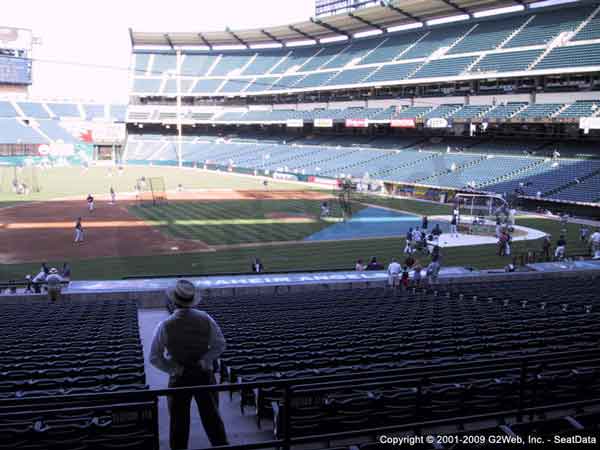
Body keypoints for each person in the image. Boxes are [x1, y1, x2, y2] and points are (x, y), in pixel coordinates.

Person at [150, 280, 229, 449]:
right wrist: (205, 360)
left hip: (179, 380)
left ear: (174, 301)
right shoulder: (205, 318)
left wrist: (175, 369)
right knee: (213, 420)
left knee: (178, 424)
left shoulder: (165, 325)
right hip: (204, 375)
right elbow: (220, 344)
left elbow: (154, 357)